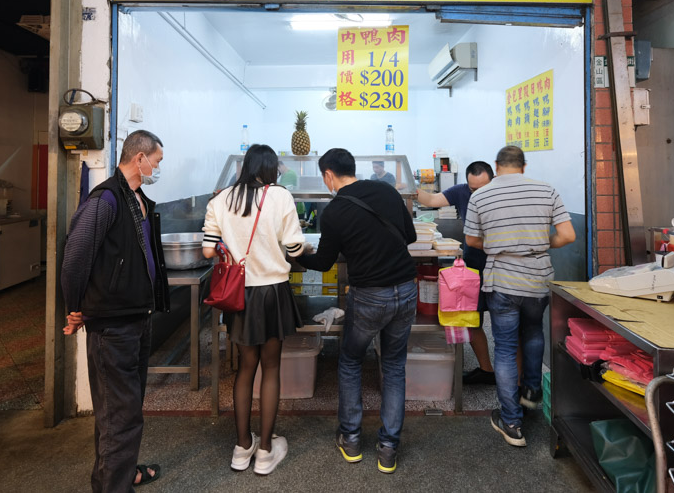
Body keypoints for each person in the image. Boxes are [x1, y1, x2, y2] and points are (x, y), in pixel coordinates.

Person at [61, 130, 170, 492]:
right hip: (113, 327)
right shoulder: (105, 200)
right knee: (119, 416)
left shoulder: (136, 198)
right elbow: (75, 258)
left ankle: (122, 474)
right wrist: (73, 308)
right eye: (156, 161)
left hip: (136, 319)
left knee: (122, 412)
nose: (157, 168)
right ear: (139, 159)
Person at [296, 148, 417, 474]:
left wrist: (294, 256)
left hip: (369, 297)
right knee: (393, 365)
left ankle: (350, 439)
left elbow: (322, 263)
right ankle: (389, 448)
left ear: (328, 175)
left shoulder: (334, 211)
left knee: (350, 360)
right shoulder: (387, 191)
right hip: (406, 289)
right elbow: (411, 235)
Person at [202, 144, 306, 476]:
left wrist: (228, 247)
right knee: (270, 368)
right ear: (272, 168)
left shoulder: (220, 200)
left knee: (245, 368)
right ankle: (264, 452)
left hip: (239, 294)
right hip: (272, 291)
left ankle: (241, 446)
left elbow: (208, 250)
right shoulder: (280, 196)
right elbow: (294, 247)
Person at [465, 145, 575, 448]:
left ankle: (512, 422)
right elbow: (567, 236)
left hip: (502, 280)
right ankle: (531, 390)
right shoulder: (547, 190)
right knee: (533, 333)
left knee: (504, 348)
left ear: (497, 167)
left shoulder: (481, 195)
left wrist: (502, 243)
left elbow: (472, 239)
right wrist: (538, 243)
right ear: (523, 166)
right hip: (537, 278)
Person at [416, 160, 496, 385]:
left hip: (501, 265)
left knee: (504, 321)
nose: (476, 193)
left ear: (493, 180)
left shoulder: (502, 193)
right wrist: (412, 191)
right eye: (473, 189)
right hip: (473, 264)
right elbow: (432, 200)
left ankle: (515, 381)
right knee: (473, 318)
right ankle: (487, 370)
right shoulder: (461, 192)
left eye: (482, 188)